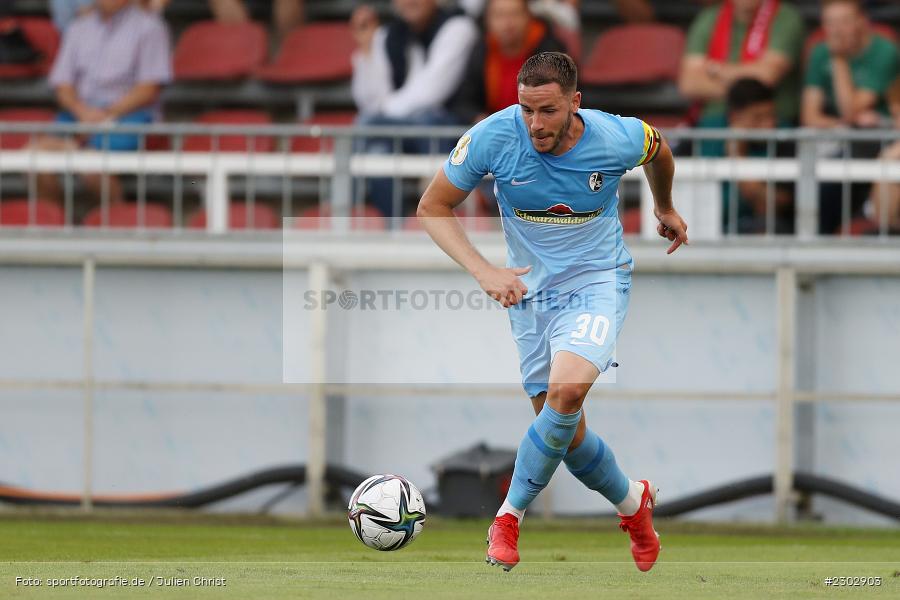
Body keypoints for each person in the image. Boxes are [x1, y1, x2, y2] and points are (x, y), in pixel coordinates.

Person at [417, 52, 688, 571]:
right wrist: (484, 269)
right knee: (564, 431)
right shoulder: (494, 136)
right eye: (526, 110)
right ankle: (634, 503)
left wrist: (664, 205)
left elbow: (659, 151)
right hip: (529, 295)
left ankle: (507, 517)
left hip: (597, 282)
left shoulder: (616, 137)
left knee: (566, 393)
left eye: (546, 111)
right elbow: (433, 206)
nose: (535, 124)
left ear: (574, 102)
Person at [34, 0, 172, 207]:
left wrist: (103, 115)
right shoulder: (78, 27)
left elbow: (148, 89)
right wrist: (83, 112)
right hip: (79, 114)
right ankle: (53, 226)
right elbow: (62, 84)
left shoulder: (150, 27)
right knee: (35, 159)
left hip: (129, 116)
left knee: (92, 166)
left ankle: (114, 227)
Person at [350, 0, 478, 217]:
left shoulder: (458, 26)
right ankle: (393, 229)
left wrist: (378, 116)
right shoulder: (389, 35)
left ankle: (343, 203)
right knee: (377, 153)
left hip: (452, 129)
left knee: (374, 124)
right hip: (401, 128)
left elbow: (432, 91)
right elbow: (368, 100)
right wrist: (367, 51)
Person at [801, 0, 898, 233]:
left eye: (843, 22)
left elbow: (850, 109)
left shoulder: (885, 51)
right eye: (830, 23)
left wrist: (838, 59)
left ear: (862, 22)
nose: (836, 30)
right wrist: (842, 123)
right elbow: (810, 115)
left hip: (878, 136)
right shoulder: (819, 51)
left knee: (836, 178)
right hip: (840, 134)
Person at [679, 0, 805, 131]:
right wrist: (749, 85)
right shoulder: (709, 18)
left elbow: (766, 77)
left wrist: (714, 69)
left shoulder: (784, 17)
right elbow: (690, 84)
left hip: (769, 124)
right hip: (714, 122)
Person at [450, 0, 565, 124]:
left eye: (515, 14)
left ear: (528, 16)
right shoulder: (482, 50)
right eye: (499, 15)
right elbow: (464, 100)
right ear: (487, 20)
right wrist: (480, 119)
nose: (508, 23)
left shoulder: (549, 50)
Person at [720, 78, 795, 233]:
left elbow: (773, 203)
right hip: (708, 226)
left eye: (772, 116)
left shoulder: (786, 137)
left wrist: (737, 156)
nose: (769, 125)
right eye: (758, 117)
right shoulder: (708, 132)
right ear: (734, 117)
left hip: (758, 227)